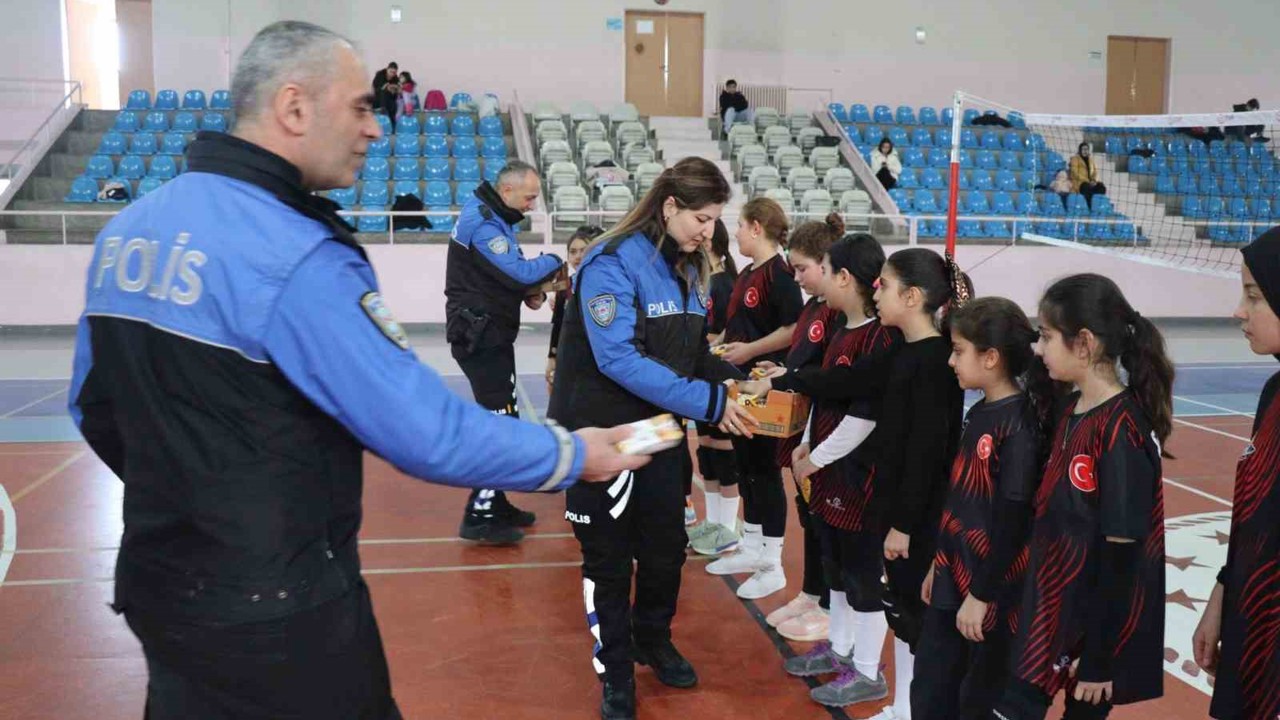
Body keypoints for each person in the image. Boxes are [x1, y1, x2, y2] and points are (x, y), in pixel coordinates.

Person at [66, 21, 646, 720]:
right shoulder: (298, 255)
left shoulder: (130, 230)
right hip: (278, 606)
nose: (376, 130)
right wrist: (574, 453)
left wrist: (194, 493)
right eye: (361, 107)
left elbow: (93, 407)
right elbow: (424, 431)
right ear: (294, 108)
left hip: (159, 585)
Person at [546, 156, 757, 720]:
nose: (708, 231)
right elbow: (621, 360)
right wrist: (713, 404)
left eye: (714, 220)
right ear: (669, 207)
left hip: (660, 434)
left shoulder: (690, 270)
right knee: (608, 563)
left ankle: (653, 637)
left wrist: (739, 384)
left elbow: (689, 357)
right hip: (605, 440)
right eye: (702, 219)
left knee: (666, 552)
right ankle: (615, 671)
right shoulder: (610, 263)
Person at [994, 273, 1172, 720]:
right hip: (1050, 610)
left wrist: (1099, 657)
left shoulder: (1122, 432)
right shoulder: (1072, 409)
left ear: (1084, 343)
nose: (1039, 349)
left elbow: (1123, 557)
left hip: (1094, 631)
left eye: (1048, 337)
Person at [766, 233, 903, 710]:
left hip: (858, 476)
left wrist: (815, 457)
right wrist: (805, 446)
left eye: (823, 268)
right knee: (838, 570)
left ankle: (867, 671)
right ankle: (841, 649)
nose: (817, 278)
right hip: (825, 469)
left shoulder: (882, 336)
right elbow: (822, 394)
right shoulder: (842, 327)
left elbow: (865, 415)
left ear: (845, 277)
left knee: (864, 575)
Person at [912, 297, 1052, 720]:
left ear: (990, 358)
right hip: (953, 573)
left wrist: (981, 593)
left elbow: (1013, 520)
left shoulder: (1021, 425)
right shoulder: (980, 413)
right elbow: (961, 500)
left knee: (972, 697)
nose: (952, 361)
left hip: (987, 589)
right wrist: (939, 562)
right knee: (930, 686)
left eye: (958, 351)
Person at [445, 160, 566, 544]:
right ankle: (479, 514)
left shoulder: (494, 218)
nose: (531, 205)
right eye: (529, 197)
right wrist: (554, 261)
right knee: (498, 424)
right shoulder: (482, 222)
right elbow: (519, 273)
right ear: (507, 191)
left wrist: (526, 290)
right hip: (480, 337)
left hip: (490, 333)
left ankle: (495, 501)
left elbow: (501, 279)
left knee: (505, 418)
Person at [1193, 228, 1280, 720]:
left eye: (1254, 296)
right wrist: (1222, 597)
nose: (1238, 311)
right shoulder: (1272, 392)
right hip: (1253, 626)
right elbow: (1255, 518)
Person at [705, 197, 804, 601]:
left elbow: (793, 327)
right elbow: (736, 327)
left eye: (742, 227)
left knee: (764, 470)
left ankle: (773, 561)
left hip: (767, 386)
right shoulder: (746, 273)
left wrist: (749, 351)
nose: (738, 235)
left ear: (758, 227)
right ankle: (750, 543)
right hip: (741, 387)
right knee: (744, 464)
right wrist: (724, 347)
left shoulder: (779, 274)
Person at [756, 214, 845, 643]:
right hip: (804, 429)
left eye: (803, 269)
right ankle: (811, 592)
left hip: (828, 432)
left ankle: (830, 605)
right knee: (809, 516)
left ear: (828, 264)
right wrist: (783, 369)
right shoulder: (812, 307)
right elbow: (804, 363)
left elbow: (826, 375)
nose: (797, 277)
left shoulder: (842, 316)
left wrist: (787, 377)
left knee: (829, 521)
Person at [687, 219, 744, 553]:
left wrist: (701, 344)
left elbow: (723, 331)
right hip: (700, 373)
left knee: (722, 453)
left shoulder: (724, 284)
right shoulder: (703, 281)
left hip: (718, 373)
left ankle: (726, 527)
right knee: (706, 450)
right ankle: (713, 523)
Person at [547, 225, 602, 393]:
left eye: (583, 250)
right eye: (573, 251)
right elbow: (558, 325)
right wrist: (552, 358)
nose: (578, 256)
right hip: (571, 359)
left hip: (600, 362)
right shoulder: (565, 285)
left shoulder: (610, 284)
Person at [1069, 142, 1106, 209]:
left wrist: (1093, 180)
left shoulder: (1090, 160)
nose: (1085, 151)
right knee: (1086, 187)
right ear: (1080, 150)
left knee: (1101, 187)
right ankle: (1089, 206)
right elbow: (1074, 172)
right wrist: (1086, 180)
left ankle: (1097, 205)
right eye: (1083, 149)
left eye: (1086, 149)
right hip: (1079, 183)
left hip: (1089, 182)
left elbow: (1094, 172)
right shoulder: (1075, 159)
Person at [371, 60, 400, 131]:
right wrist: (385, 87)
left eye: (394, 73)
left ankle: (392, 127)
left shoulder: (395, 78)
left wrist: (394, 90)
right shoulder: (380, 75)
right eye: (391, 72)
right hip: (377, 99)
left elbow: (396, 93)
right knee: (383, 93)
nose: (392, 74)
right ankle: (383, 113)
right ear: (387, 69)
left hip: (389, 99)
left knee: (393, 104)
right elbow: (375, 90)